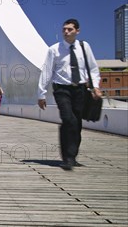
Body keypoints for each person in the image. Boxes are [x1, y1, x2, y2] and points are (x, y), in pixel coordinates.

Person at [37, 18, 102, 171]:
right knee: (68, 119)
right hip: (61, 90)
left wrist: (96, 86)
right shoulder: (54, 49)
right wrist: (41, 94)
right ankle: (67, 158)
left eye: (70, 29)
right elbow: (47, 71)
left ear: (77, 31)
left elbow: (92, 68)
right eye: (64, 29)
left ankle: (72, 157)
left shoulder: (84, 47)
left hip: (80, 90)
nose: (66, 32)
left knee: (77, 123)